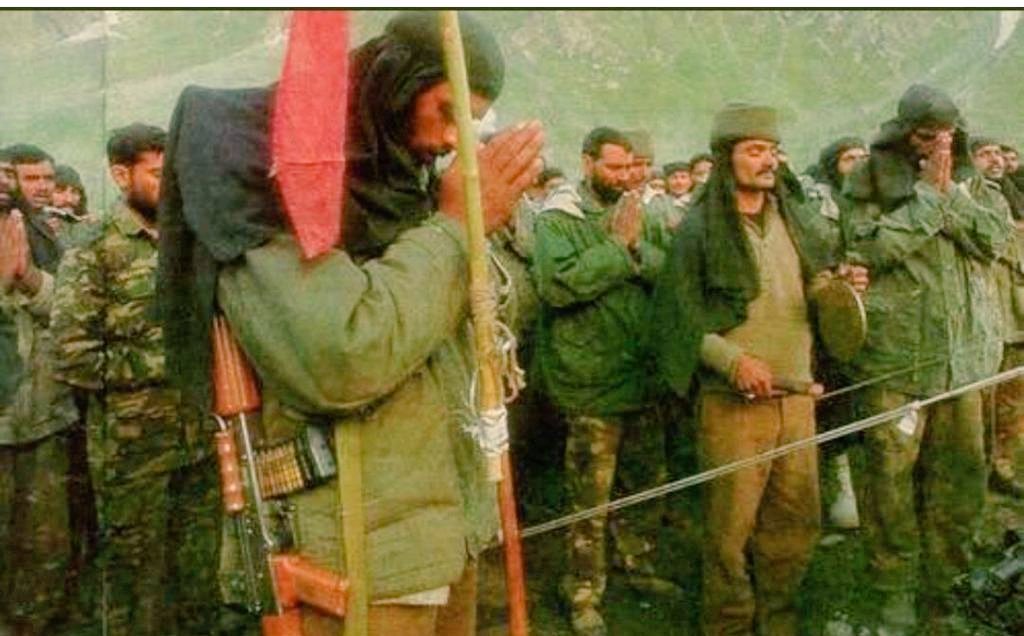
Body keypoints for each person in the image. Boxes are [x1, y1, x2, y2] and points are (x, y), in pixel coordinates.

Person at [157, 11, 543, 636]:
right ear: (397, 84)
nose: (452, 142)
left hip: (442, 541)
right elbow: (342, 355)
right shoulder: (271, 182)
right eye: (447, 111)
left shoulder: (403, 185)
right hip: (354, 561)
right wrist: (453, 230)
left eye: (469, 124)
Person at [653, 102, 865, 636]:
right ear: (728, 159)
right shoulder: (698, 232)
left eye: (772, 150)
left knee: (793, 526)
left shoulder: (798, 223)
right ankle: (728, 627)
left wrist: (843, 292)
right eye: (754, 151)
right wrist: (732, 360)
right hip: (732, 409)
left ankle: (780, 623)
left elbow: (818, 292)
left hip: (797, 401)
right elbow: (675, 320)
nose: (767, 161)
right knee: (728, 534)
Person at [839, 84, 1011, 634]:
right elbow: (870, 250)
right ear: (902, 133)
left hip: (963, 367)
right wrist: (928, 203)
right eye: (924, 136)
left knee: (959, 486)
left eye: (947, 135)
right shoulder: (865, 181)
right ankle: (893, 594)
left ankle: (948, 594)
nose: (938, 145)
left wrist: (948, 196)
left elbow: (994, 238)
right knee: (888, 488)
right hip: (896, 366)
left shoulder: (973, 182)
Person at [50, 123, 222, 636]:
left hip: (197, 443)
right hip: (132, 454)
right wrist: (166, 362)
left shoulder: (189, 237)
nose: (170, 182)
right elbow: (72, 355)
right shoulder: (96, 244)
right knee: (132, 582)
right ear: (121, 175)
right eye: (156, 172)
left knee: (197, 578)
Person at [533, 126, 677, 636]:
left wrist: (634, 255)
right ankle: (582, 592)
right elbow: (556, 285)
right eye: (613, 167)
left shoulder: (644, 209)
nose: (622, 176)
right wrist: (620, 249)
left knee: (646, 483)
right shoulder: (559, 218)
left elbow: (667, 268)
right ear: (588, 161)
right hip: (589, 380)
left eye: (629, 167)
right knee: (589, 499)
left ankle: (637, 567)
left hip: (640, 375)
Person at [0, 148, 77, 635]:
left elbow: (68, 307)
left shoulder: (40, 234)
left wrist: (27, 277)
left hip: (43, 422)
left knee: (47, 550)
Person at [966, 137, 1024, 498]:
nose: (996, 160)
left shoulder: (1008, 196)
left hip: (1015, 319)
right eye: (985, 154)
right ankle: (982, 468)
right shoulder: (971, 200)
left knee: (1013, 401)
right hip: (988, 321)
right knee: (981, 402)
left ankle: (1002, 465)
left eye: (999, 154)